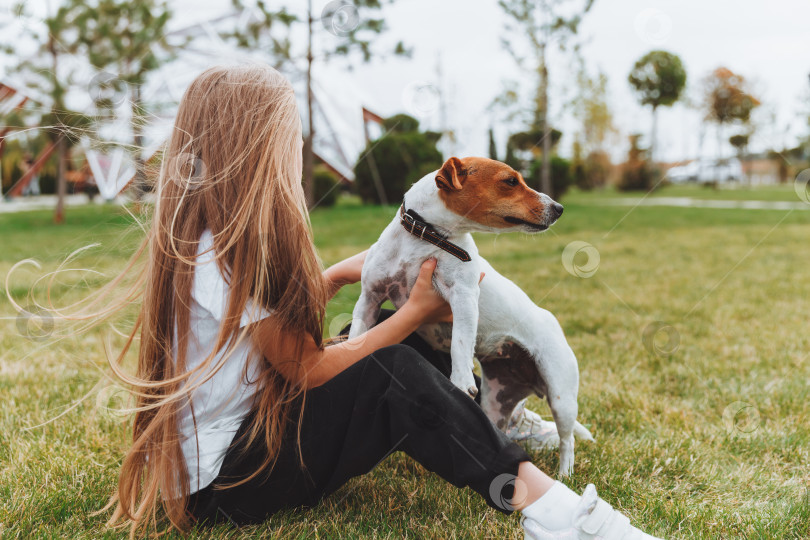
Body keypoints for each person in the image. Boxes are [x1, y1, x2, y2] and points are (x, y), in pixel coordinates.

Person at [101, 64, 662, 540]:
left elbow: (264, 328)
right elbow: (307, 368)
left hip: (245, 446)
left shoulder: (213, 239)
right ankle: (558, 515)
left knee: (399, 337)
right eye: (288, 137)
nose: (296, 149)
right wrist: (415, 314)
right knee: (390, 365)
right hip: (226, 485)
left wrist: (347, 274)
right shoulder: (222, 258)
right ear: (251, 152)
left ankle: (498, 419)